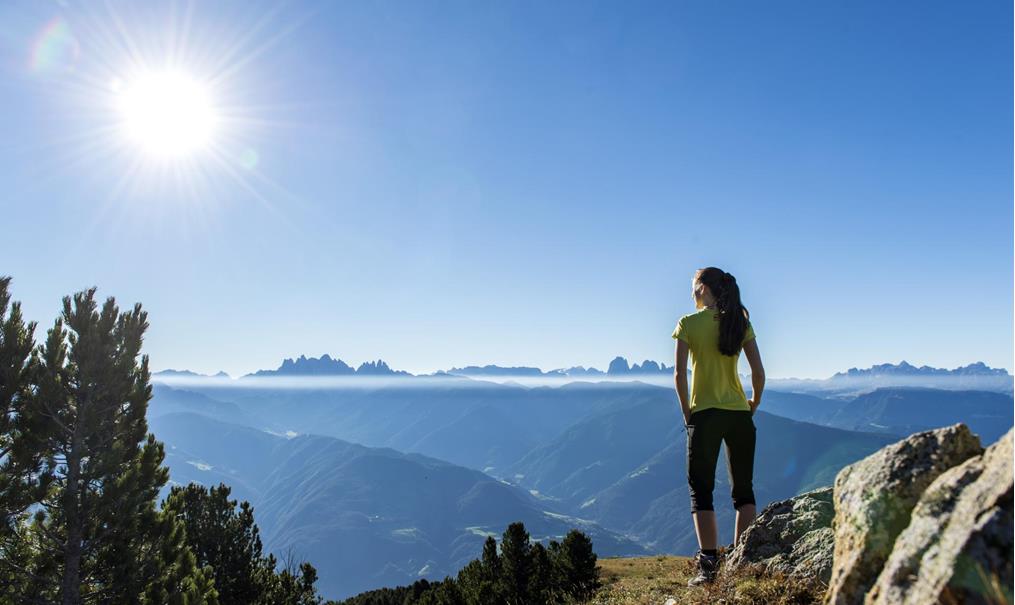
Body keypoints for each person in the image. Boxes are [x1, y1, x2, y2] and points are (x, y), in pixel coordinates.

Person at [672, 267, 765, 587]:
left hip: (705, 415)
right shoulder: (740, 322)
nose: (691, 291)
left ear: (703, 289)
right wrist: (751, 405)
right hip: (739, 415)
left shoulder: (688, 324)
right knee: (744, 490)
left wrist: (688, 414)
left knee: (702, 491)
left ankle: (708, 566)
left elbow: (679, 376)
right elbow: (759, 374)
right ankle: (741, 560)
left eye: (693, 285)